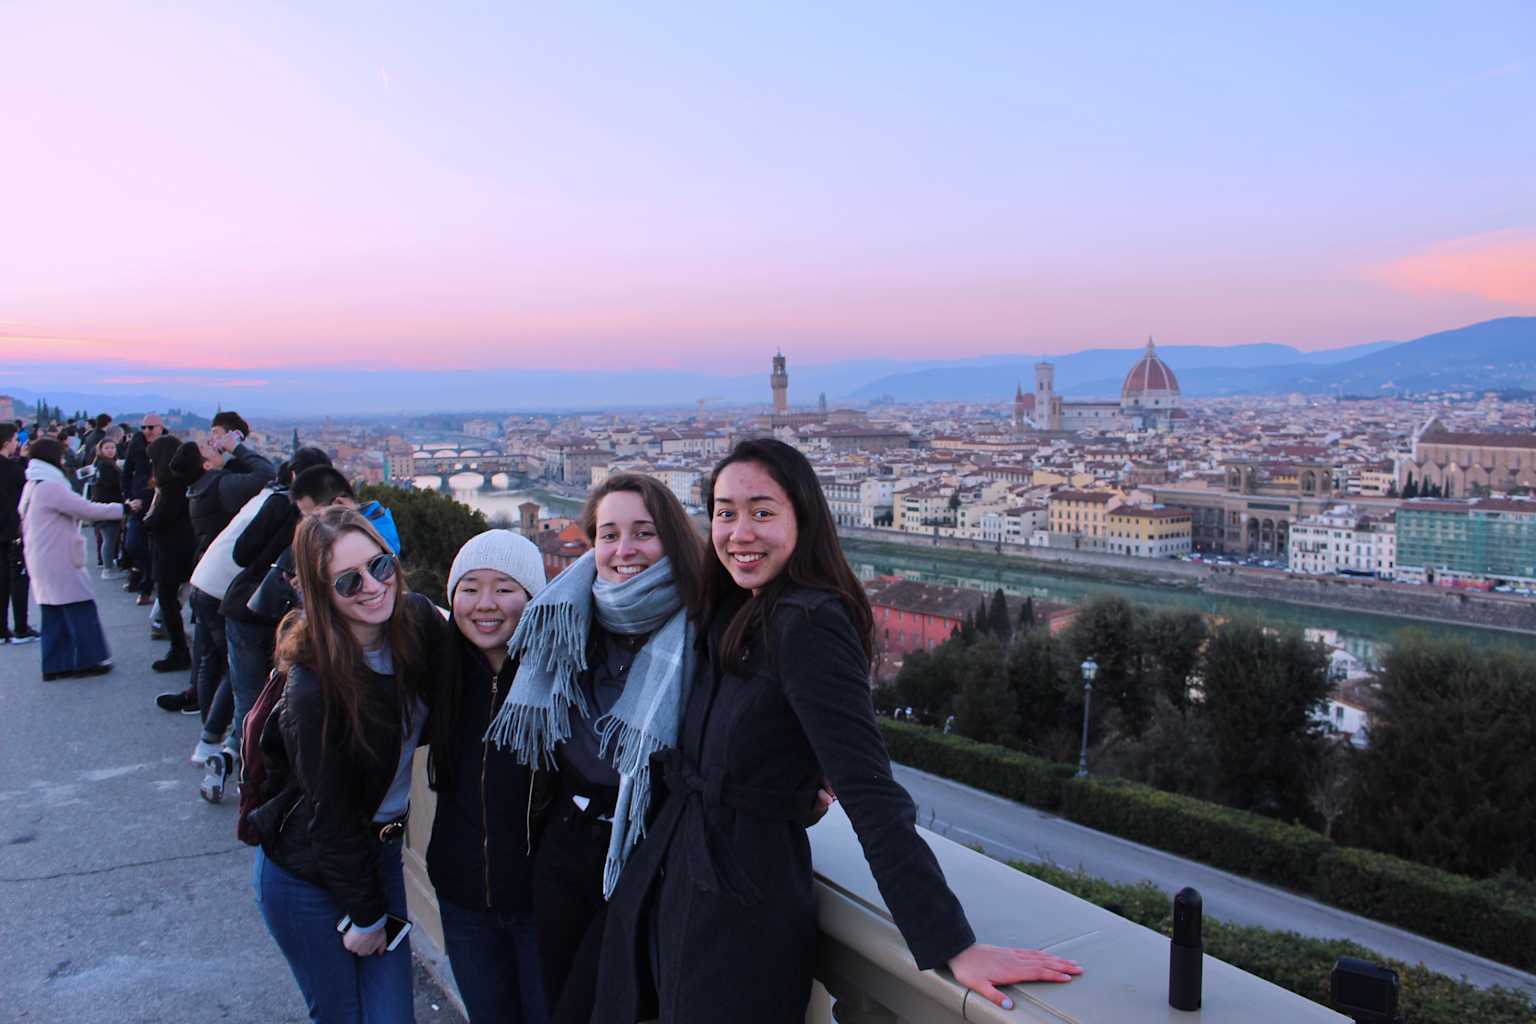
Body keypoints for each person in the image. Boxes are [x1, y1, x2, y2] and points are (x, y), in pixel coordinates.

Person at [594, 440, 1083, 1023]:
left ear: (804, 518)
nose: (739, 532)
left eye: (762, 512)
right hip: (685, 877)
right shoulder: (733, 606)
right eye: (725, 513)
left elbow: (872, 792)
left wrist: (950, 941)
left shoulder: (809, 623)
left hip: (740, 907)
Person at [485, 474, 705, 1024]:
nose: (623, 550)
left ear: (673, 538)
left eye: (643, 533)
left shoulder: (710, 627)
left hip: (648, 854)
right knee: (562, 996)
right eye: (609, 534)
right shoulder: (565, 616)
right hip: (565, 847)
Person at [247, 505, 446, 1024]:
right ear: (320, 593)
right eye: (347, 581)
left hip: (378, 855)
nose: (372, 587)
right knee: (341, 1015)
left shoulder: (417, 620)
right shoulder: (313, 686)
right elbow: (329, 811)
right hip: (307, 871)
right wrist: (364, 914)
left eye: (380, 567)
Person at [425, 530, 550, 1024]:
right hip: (462, 901)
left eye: (504, 588)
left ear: (533, 598)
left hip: (544, 909)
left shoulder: (563, 675)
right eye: (470, 588)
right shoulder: (439, 672)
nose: (485, 604)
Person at [220, 448, 333, 765]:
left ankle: (231, 757)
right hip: (276, 616)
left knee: (251, 697)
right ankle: (247, 767)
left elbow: (241, 554)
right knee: (266, 699)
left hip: (251, 608)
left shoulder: (278, 503)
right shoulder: (324, 521)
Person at [17, 437, 125, 680]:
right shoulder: (50, 487)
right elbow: (85, 509)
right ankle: (90, 659)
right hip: (59, 556)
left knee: (53, 613)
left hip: (41, 555)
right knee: (80, 607)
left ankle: (55, 664)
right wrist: (122, 509)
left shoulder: (33, 483)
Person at [143, 435, 198, 685]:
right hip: (184, 548)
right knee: (176, 598)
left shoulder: (171, 486)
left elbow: (161, 518)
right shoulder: (185, 481)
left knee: (167, 597)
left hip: (171, 550)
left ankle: (179, 650)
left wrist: (145, 520)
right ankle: (181, 648)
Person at [0, 424, 40, 645]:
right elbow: (27, 481)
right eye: (15, 439)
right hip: (13, 528)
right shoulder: (13, 467)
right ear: (7, 442)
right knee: (18, 578)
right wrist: (24, 458)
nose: (17, 443)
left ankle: (1, 630)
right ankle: (21, 628)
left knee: (2, 578)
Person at [122, 414, 164, 604]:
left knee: (156, 547)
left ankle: (146, 588)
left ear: (160, 428)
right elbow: (127, 472)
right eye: (144, 427)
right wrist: (129, 497)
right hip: (139, 503)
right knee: (133, 544)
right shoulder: (136, 446)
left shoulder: (168, 445)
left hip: (160, 504)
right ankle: (147, 574)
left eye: (151, 427)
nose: (147, 431)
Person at [89, 437, 126, 578]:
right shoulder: (105, 466)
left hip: (107, 505)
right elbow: (111, 484)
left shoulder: (104, 464)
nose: (110, 450)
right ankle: (107, 569)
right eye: (107, 448)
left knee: (110, 537)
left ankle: (108, 564)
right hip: (107, 506)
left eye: (112, 448)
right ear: (101, 450)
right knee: (109, 538)